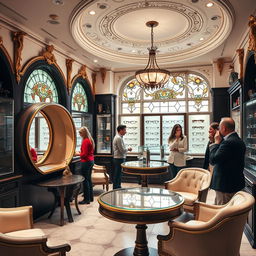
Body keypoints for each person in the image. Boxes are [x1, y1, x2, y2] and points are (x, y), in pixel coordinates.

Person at [209, 117, 246, 205]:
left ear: (224, 128)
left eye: (219, 128)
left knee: (222, 212)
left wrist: (216, 143)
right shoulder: (238, 140)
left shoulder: (228, 142)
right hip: (234, 183)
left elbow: (213, 160)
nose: (218, 130)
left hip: (225, 186)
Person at [75, 126, 95, 204]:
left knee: (85, 181)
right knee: (89, 180)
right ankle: (90, 197)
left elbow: (84, 154)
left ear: (83, 133)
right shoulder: (90, 140)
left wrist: (77, 153)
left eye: (80, 133)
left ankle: (86, 199)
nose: (79, 135)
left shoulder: (85, 141)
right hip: (90, 161)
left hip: (86, 162)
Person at [113, 125, 132, 189]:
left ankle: (118, 186)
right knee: (117, 174)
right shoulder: (118, 138)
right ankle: (116, 187)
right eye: (124, 130)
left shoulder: (119, 137)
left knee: (118, 174)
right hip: (119, 158)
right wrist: (128, 149)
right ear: (120, 130)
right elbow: (122, 150)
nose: (125, 132)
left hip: (119, 158)